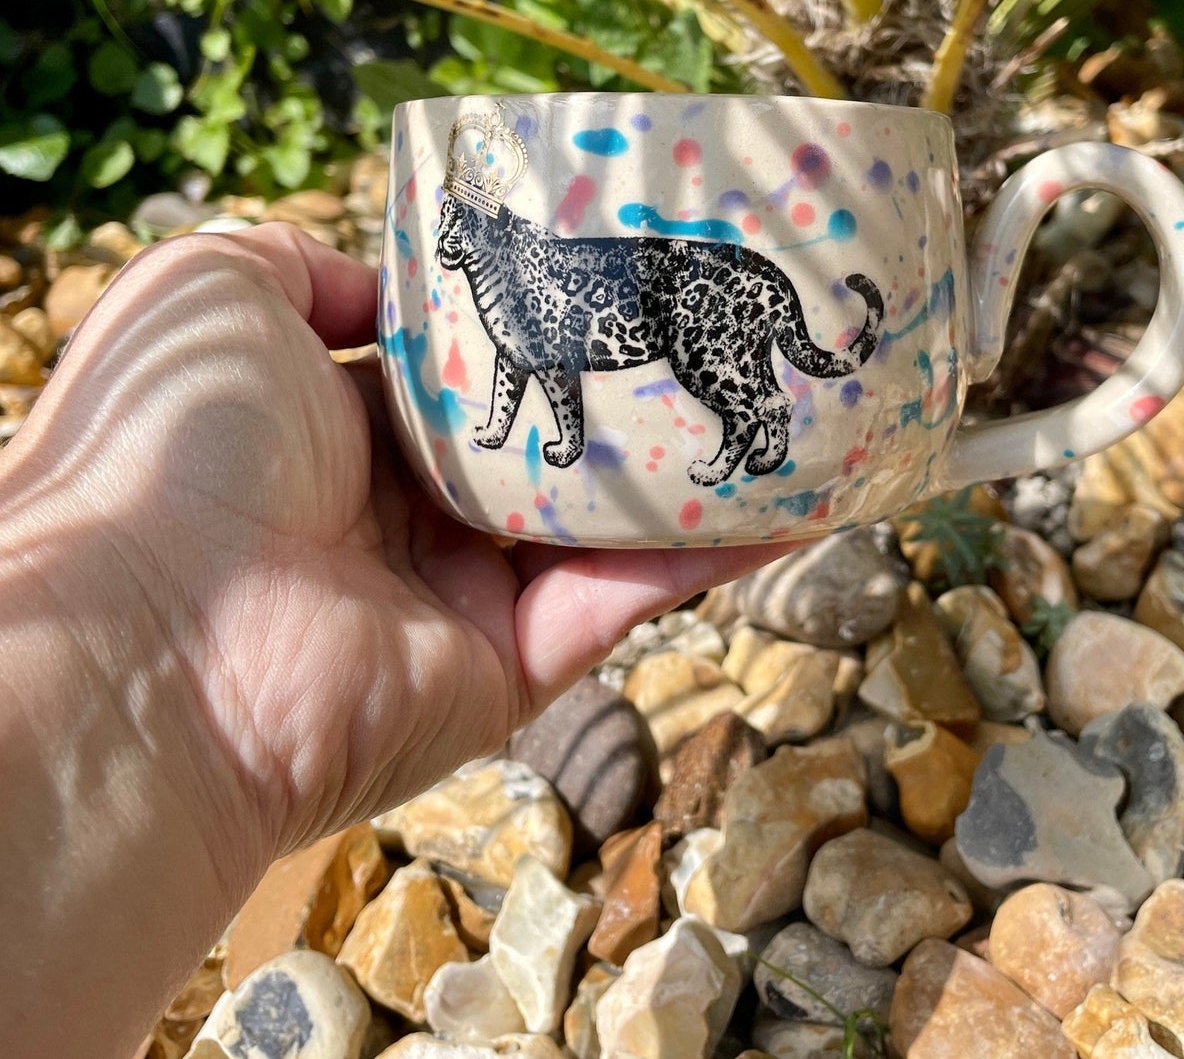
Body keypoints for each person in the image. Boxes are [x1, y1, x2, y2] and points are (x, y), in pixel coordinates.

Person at [0, 224, 779, 1058]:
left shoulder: (524, 269)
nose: (448, 251)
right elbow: (522, 354)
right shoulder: (502, 270)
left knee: (711, 368)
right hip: (418, 570)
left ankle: (758, 430)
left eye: (456, 239)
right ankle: (759, 434)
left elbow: (540, 350)